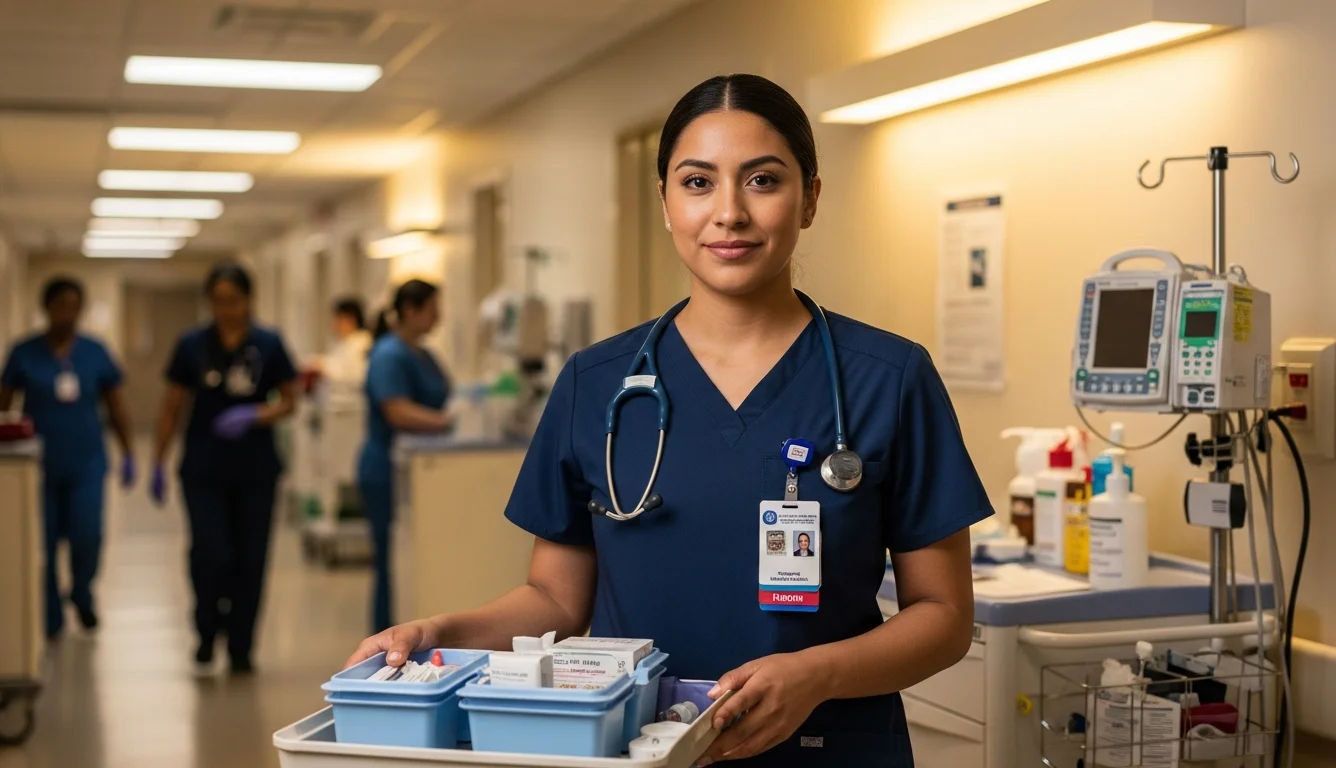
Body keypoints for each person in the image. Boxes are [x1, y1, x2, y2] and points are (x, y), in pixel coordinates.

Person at [348, 74, 987, 766]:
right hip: (638, 747)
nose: (730, 213)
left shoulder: (888, 379)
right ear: (664, 202)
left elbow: (944, 618)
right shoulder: (596, 386)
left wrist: (815, 675)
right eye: (697, 182)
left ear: (810, 199)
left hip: (830, 745)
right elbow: (555, 601)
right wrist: (439, 630)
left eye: (763, 180)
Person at [152, 262, 298, 675]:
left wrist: (256, 416)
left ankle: (241, 644)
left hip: (255, 469)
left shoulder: (269, 344)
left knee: (251, 559)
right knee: (210, 552)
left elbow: (290, 400)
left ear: (248, 300)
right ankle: (205, 630)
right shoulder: (192, 344)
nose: (226, 309)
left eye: (233, 300)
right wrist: (157, 461)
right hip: (203, 467)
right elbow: (172, 404)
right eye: (217, 301)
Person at [0, 276, 134, 639]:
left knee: (88, 534)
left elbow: (116, 405)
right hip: (37, 464)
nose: (67, 314)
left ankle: (82, 592)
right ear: (46, 308)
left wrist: (129, 450)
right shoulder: (24, 352)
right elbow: (1, 409)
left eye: (74, 307)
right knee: (44, 541)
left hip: (87, 460)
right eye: (60, 306)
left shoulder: (94, 351)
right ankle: (51, 611)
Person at [357, 280, 452, 633]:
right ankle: (385, 636)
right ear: (411, 310)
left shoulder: (422, 353)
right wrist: (449, 420)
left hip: (414, 470)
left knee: (410, 559)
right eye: (433, 308)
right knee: (389, 561)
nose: (439, 317)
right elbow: (396, 411)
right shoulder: (388, 354)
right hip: (385, 469)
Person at [321, 297, 373, 390]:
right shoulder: (343, 343)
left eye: (337, 318)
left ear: (350, 319)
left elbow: (357, 377)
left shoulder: (363, 343)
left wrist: (323, 369)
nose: (333, 323)